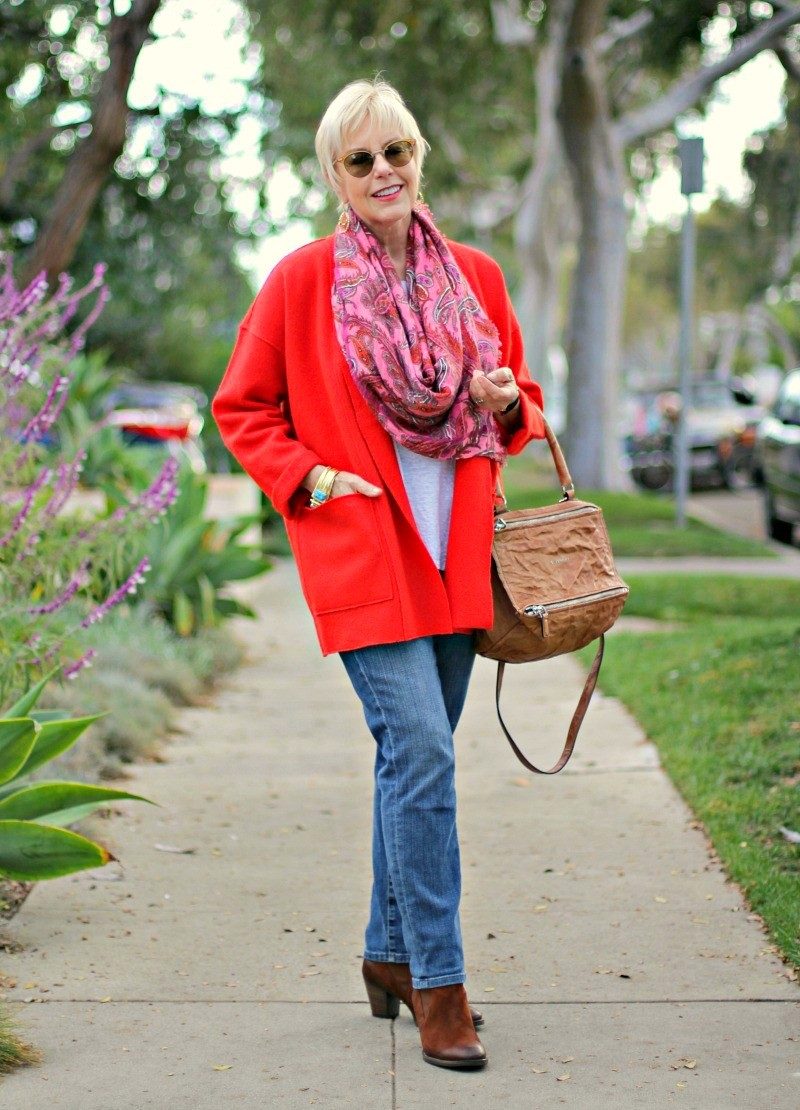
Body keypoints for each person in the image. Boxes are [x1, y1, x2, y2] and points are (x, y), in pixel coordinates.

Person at [212, 77, 545, 1071]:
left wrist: (497, 398)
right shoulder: (300, 281)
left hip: (456, 559)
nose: (381, 171)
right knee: (426, 760)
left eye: (394, 151)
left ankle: (386, 955)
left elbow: (517, 403)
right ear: (334, 177)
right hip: (365, 550)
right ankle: (440, 986)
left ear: (417, 158)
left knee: (412, 762)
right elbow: (242, 407)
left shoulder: (475, 277)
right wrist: (310, 477)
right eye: (359, 160)